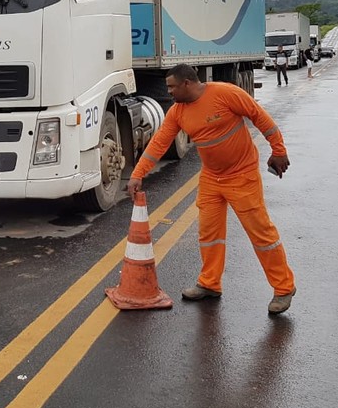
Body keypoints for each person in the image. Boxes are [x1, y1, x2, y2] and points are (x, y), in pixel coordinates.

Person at [126, 64, 297, 315]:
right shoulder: (177, 112)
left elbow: (260, 117)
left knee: (261, 234)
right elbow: (159, 143)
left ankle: (283, 288)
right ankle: (210, 284)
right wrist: (137, 174)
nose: (169, 91)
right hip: (211, 178)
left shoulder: (225, 93)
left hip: (242, 175)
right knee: (209, 234)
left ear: (187, 83)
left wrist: (279, 150)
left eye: (172, 86)